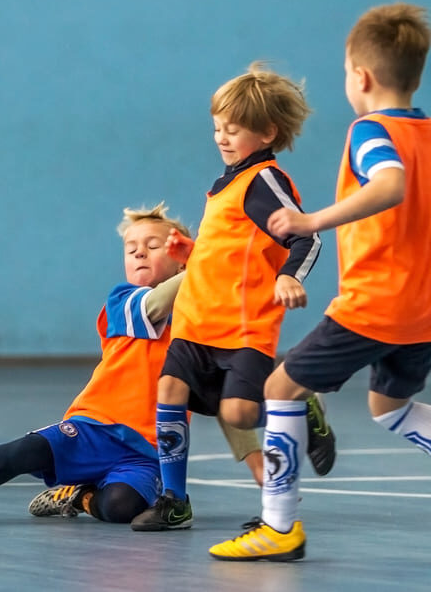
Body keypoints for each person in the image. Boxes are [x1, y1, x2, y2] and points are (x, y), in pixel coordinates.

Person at [210, 2, 431, 562]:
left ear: (360, 76)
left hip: (376, 304)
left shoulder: (370, 130)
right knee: (389, 406)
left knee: (280, 390)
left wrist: (312, 220)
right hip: (424, 311)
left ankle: (279, 528)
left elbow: (391, 185)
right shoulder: (428, 133)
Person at [0, 204, 190, 525]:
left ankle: (75, 495)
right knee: (24, 452)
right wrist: (204, 264)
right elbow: (157, 303)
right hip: (94, 427)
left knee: (120, 507)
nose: (140, 253)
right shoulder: (123, 299)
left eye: (154, 246)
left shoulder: (195, 323)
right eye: (131, 249)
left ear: (180, 259)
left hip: (146, 450)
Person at [130, 63, 335, 531]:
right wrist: (193, 251)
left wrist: (290, 276)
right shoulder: (226, 182)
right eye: (217, 127)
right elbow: (234, 251)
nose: (222, 137)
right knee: (169, 391)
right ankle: (173, 500)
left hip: (243, 328)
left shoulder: (264, 182)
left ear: (267, 133)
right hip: (197, 321)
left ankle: (300, 402)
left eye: (234, 129)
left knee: (238, 412)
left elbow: (308, 238)